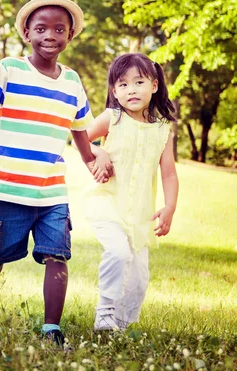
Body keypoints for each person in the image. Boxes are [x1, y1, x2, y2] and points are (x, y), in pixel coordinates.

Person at [0, 0, 108, 346]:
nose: (50, 35)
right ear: (27, 33)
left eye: (59, 29)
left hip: (53, 192)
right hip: (11, 188)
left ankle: (52, 328)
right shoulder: (10, 69)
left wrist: (95, 160)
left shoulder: (72, 82)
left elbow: (80, 132)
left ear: (69, 36)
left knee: (58, 255)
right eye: (41, 28)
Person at [82, 52, 178, 331]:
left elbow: (169, 173)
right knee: (118, 253)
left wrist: (169, 207)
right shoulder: (111, 118)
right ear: (114, 90)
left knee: (138, 275)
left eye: (139, 82)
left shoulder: (162, 131)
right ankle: (105, 312)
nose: (131, 90)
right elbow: (79, 139)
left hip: (140, 213)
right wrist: (98, 152)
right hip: (107, 203)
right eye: (123, 84)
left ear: (155, 85)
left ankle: (120, 325)